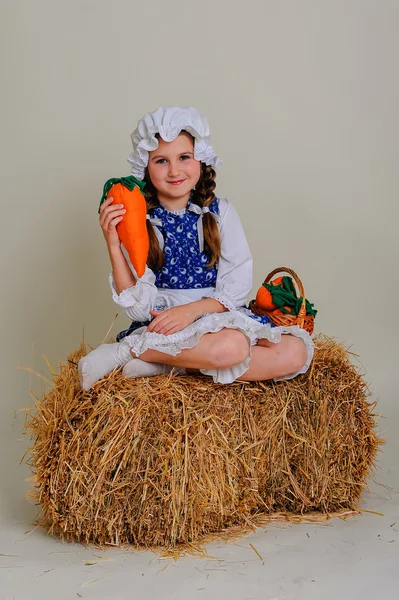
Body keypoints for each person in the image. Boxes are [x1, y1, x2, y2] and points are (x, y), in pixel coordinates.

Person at [78, 106, 314, 391]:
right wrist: (113, 245)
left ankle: (171, 365)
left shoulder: (220, 213)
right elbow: (140, 310)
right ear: (145, 166)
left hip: (215, 312)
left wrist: (193, 311)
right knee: (233, 347)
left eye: (184, 157)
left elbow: (237, 284)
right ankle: (126, 350)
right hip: (166, 325)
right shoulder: (141, 220)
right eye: (161, 161)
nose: (175, 170)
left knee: (295, 351)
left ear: (201, 159)